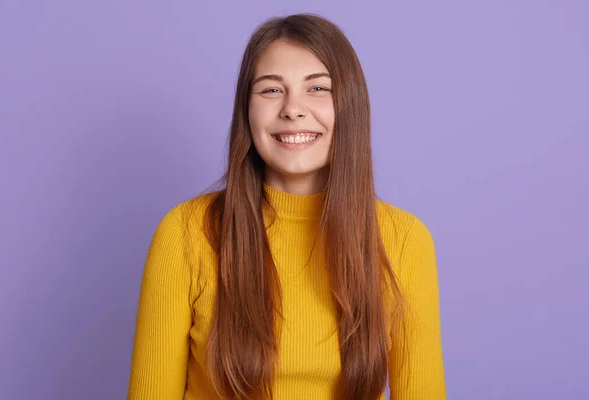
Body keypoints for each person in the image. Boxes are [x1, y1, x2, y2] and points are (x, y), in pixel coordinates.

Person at [127, 13, 446, 400]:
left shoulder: (404, 240)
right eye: (272, 90)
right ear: (246, 110)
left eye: (317, 89)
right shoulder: (184, 232)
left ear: (350, 106)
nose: (293, 109)